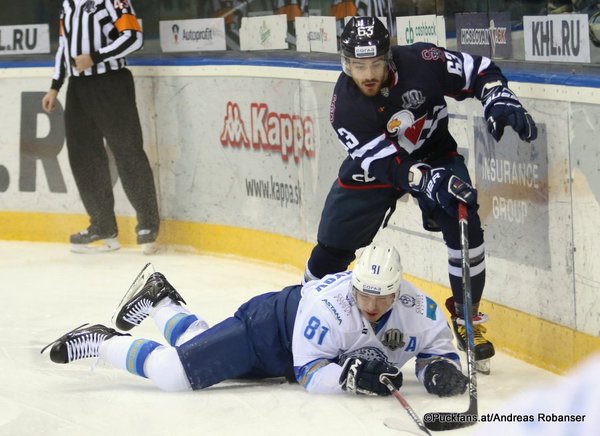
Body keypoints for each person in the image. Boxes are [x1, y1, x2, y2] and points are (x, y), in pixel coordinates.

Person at [303, 17, 538, 372]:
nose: (367, 74)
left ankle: (466, 320)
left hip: (436, 155)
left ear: (389, 58)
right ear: (345, 63)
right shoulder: (346, 108)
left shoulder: (424, 61)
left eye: (376, 64)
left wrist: (497, 95)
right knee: (332, 247)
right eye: (358, 66)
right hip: (380, 168)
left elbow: (480, 70)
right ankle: (303, 305)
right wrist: (427, 180)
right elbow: (392, 167)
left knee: (464, 218)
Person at [41, 242, 467, 397]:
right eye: (363, 294)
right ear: (352, 284)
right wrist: (348, 379)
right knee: (175, 373)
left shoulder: (420, 311)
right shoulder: (329, 307)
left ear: (399, 289)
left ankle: (161, 302)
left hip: (291, 353)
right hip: (269, 329)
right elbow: (310, 372)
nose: (371, 306)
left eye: (382, 297)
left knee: (200, 346)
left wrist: (438, 374)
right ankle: (100, 340)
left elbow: (435, 352)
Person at [41, 0, 160, 254]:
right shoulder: (68, 4)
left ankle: (148, 224)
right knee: (83, 157)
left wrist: (95, 57)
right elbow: (64, 45)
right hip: (78, 87)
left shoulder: (112, 1)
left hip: (111, 83)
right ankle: (103, 224)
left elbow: (133, 38)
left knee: (127, 151)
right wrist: (55, 85)